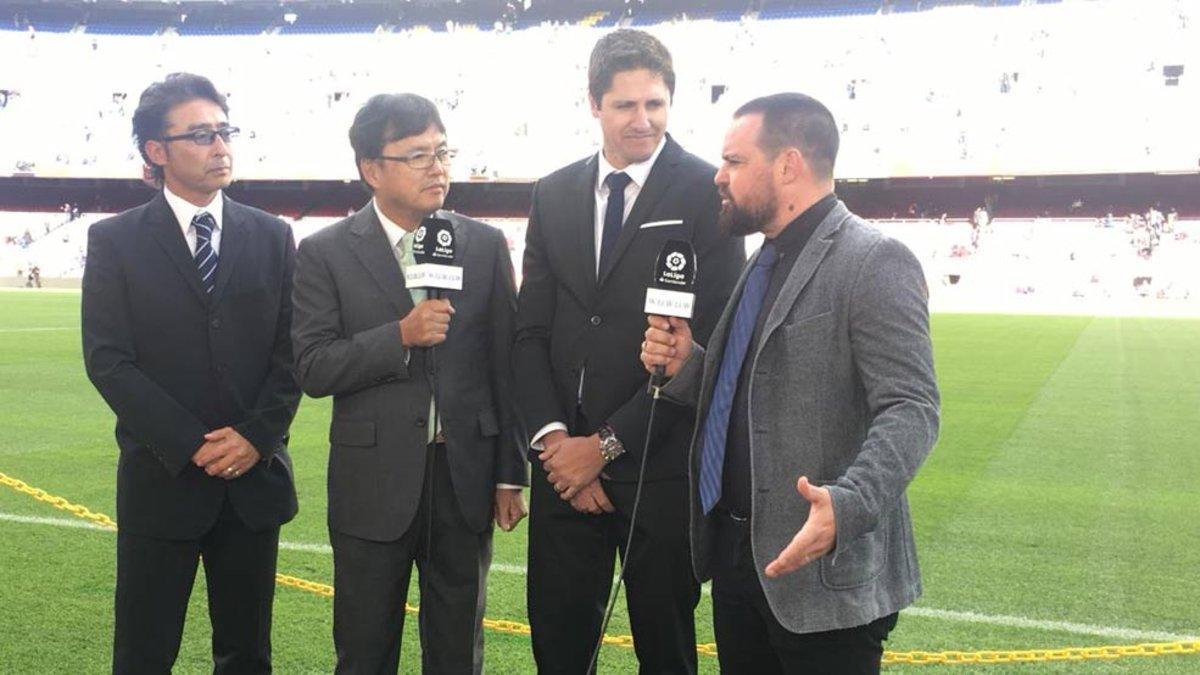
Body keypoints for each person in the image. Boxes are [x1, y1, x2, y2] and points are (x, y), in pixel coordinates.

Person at [641, 92, 941, 674]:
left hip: (823, 579)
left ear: (787, 166)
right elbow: (752, 393)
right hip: (739, 562)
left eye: (734, 161)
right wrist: (688, 366)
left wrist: (848, 504)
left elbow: (912, 406)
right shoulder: (763, 261)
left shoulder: (874, 259)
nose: (719, 176)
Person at [513, 28, 745, 673]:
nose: (642, 120)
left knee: (666, 653)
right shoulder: (553, 192)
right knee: (559, 648)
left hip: (659, 473)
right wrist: (557, 444)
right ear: (594, 104)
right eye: (625, 105)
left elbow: (712, 347)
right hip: (562, 471)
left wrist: (605, 447)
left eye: (655, 104)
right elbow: (529, 333)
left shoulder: (707, 190)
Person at [290, 93, 527, 675]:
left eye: (442, 152)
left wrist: (509, 473)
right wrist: (399, 336)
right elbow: (314, 366)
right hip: (371, 482)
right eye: (418, 155)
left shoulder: (483, 245)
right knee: (365, 651)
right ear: (372, 169)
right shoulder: (324, 252)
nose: (437, 167)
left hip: (463, 478)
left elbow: (506, 366)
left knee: (457, 652)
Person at [81, 72, 300, 674]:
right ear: (157, 151)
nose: (220, 147)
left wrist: (255, 437)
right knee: (143, 654)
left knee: (247, 655)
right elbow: (108, 360)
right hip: (161, 481)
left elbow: (292, 353)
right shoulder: (115, 240)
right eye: (201, 135)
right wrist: (191, 443)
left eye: (225, 131)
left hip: (252, 484)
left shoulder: (273, 236)